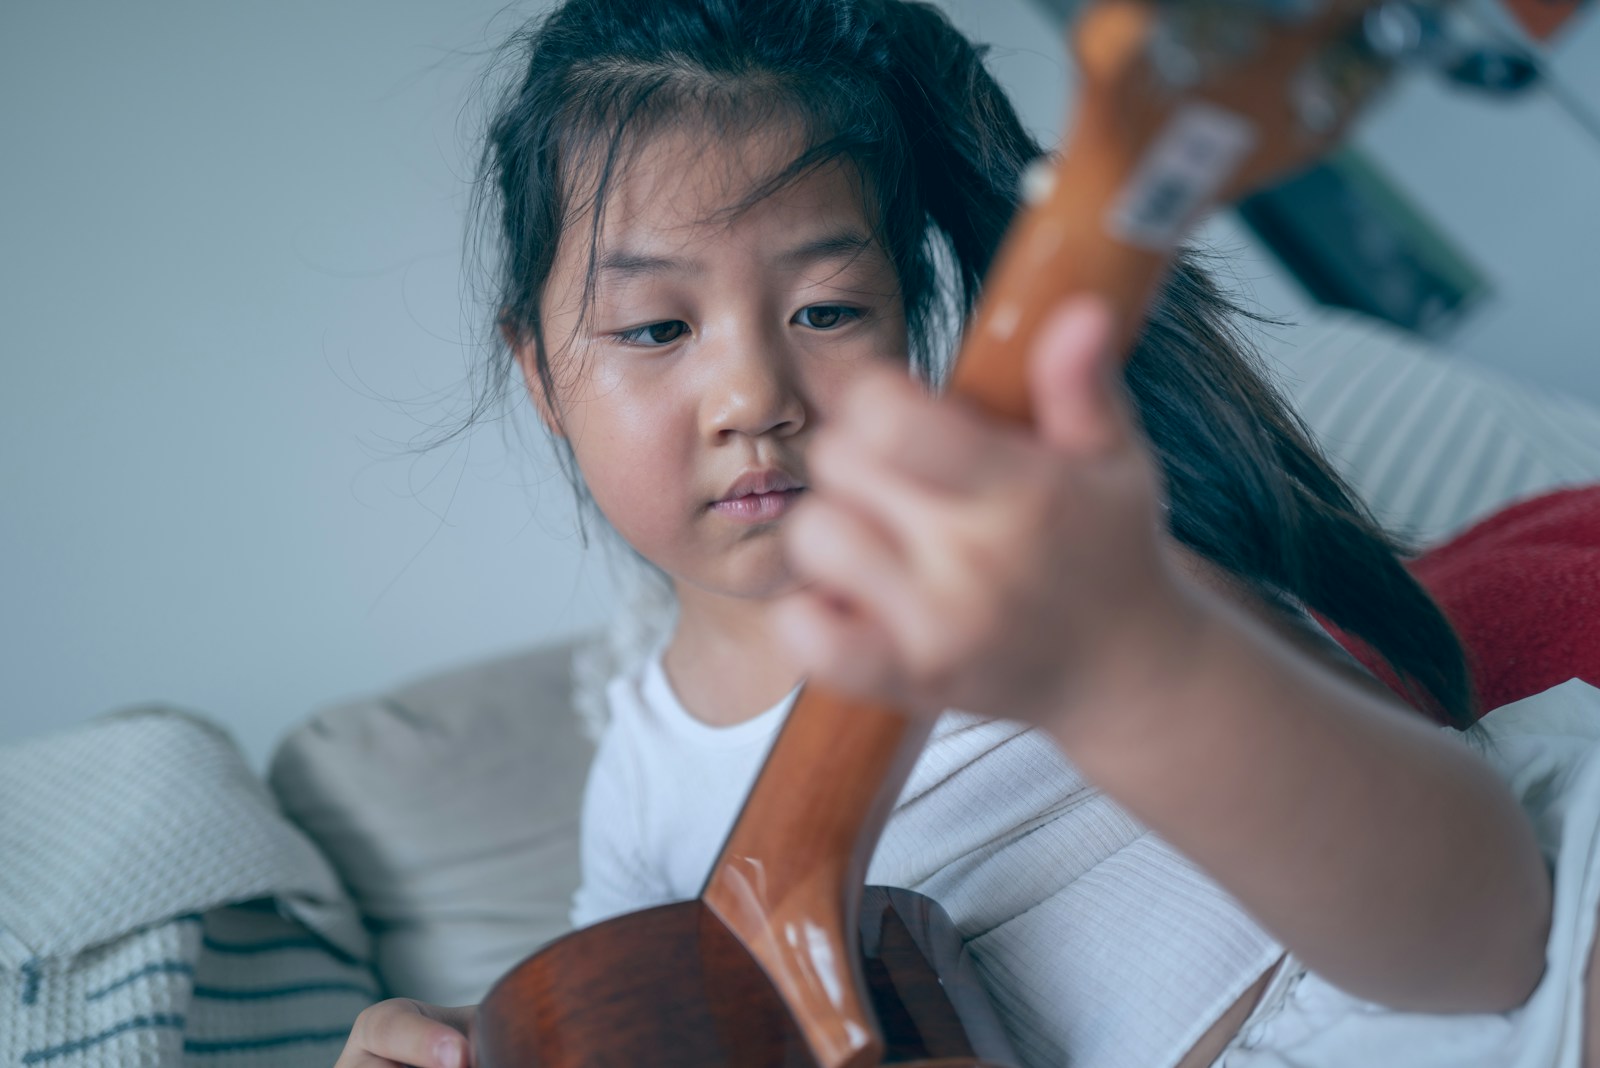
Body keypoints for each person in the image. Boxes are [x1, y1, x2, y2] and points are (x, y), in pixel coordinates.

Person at [334, 2, 1600, 1066]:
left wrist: (1125, 656)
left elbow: (1484, 936)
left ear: (912, 316)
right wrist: (477, 1040)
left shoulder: (1052, 544)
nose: (754, 399)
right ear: (540, 377)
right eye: (658, 330)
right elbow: (635, 1013)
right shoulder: (638, 792)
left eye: (828, 309)